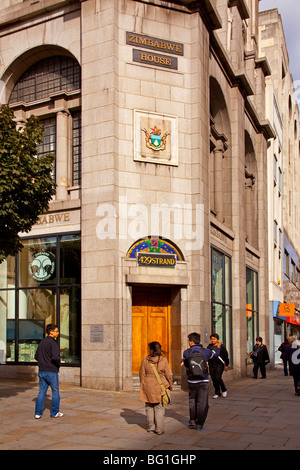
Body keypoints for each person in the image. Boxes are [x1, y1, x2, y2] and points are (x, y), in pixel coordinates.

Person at [181, 332, 220, 431]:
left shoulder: (186, 352)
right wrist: (218, 348)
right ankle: (200, 424)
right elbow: (215, 356)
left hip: (192, 380)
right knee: (202, 402)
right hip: (203, 380)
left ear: (191, 342)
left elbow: (186, 364)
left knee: (192, 400)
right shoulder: (206, 351)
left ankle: (192, 421)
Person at [139, 341, 172, 435]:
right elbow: (168, 374)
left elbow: (141, 374)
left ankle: (151, 427)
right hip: (159, 384)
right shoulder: (163, 360)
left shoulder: (145, 359)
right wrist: (170, 385)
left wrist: (143, 384)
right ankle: (159, 429)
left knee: (149, 406)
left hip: (148, 384)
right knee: (159, 407)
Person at [34, 324, 63, 419]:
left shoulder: (42, 342)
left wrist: (42, 362)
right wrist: (58, 364)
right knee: (55, 391)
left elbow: (36, 356)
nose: (58, 333)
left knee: (41, 392)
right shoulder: (53, 343)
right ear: (51, 332)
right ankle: (55, 412)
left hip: (42, 371)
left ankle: (38, 413)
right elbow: (55, 357)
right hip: (51, 371)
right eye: (56, 331)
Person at [207, 333, 229, 398]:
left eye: (214, 339)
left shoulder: (222, 346)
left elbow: (226, 356)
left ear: (217, 339)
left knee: (218, 377)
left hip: (219, 364)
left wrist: (226, 365)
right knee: (213, 379)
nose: (213, 340)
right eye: (211, 339)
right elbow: (208, 355)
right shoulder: (209, 347)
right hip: (211, 364)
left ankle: (224, 389)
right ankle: (217, 392)